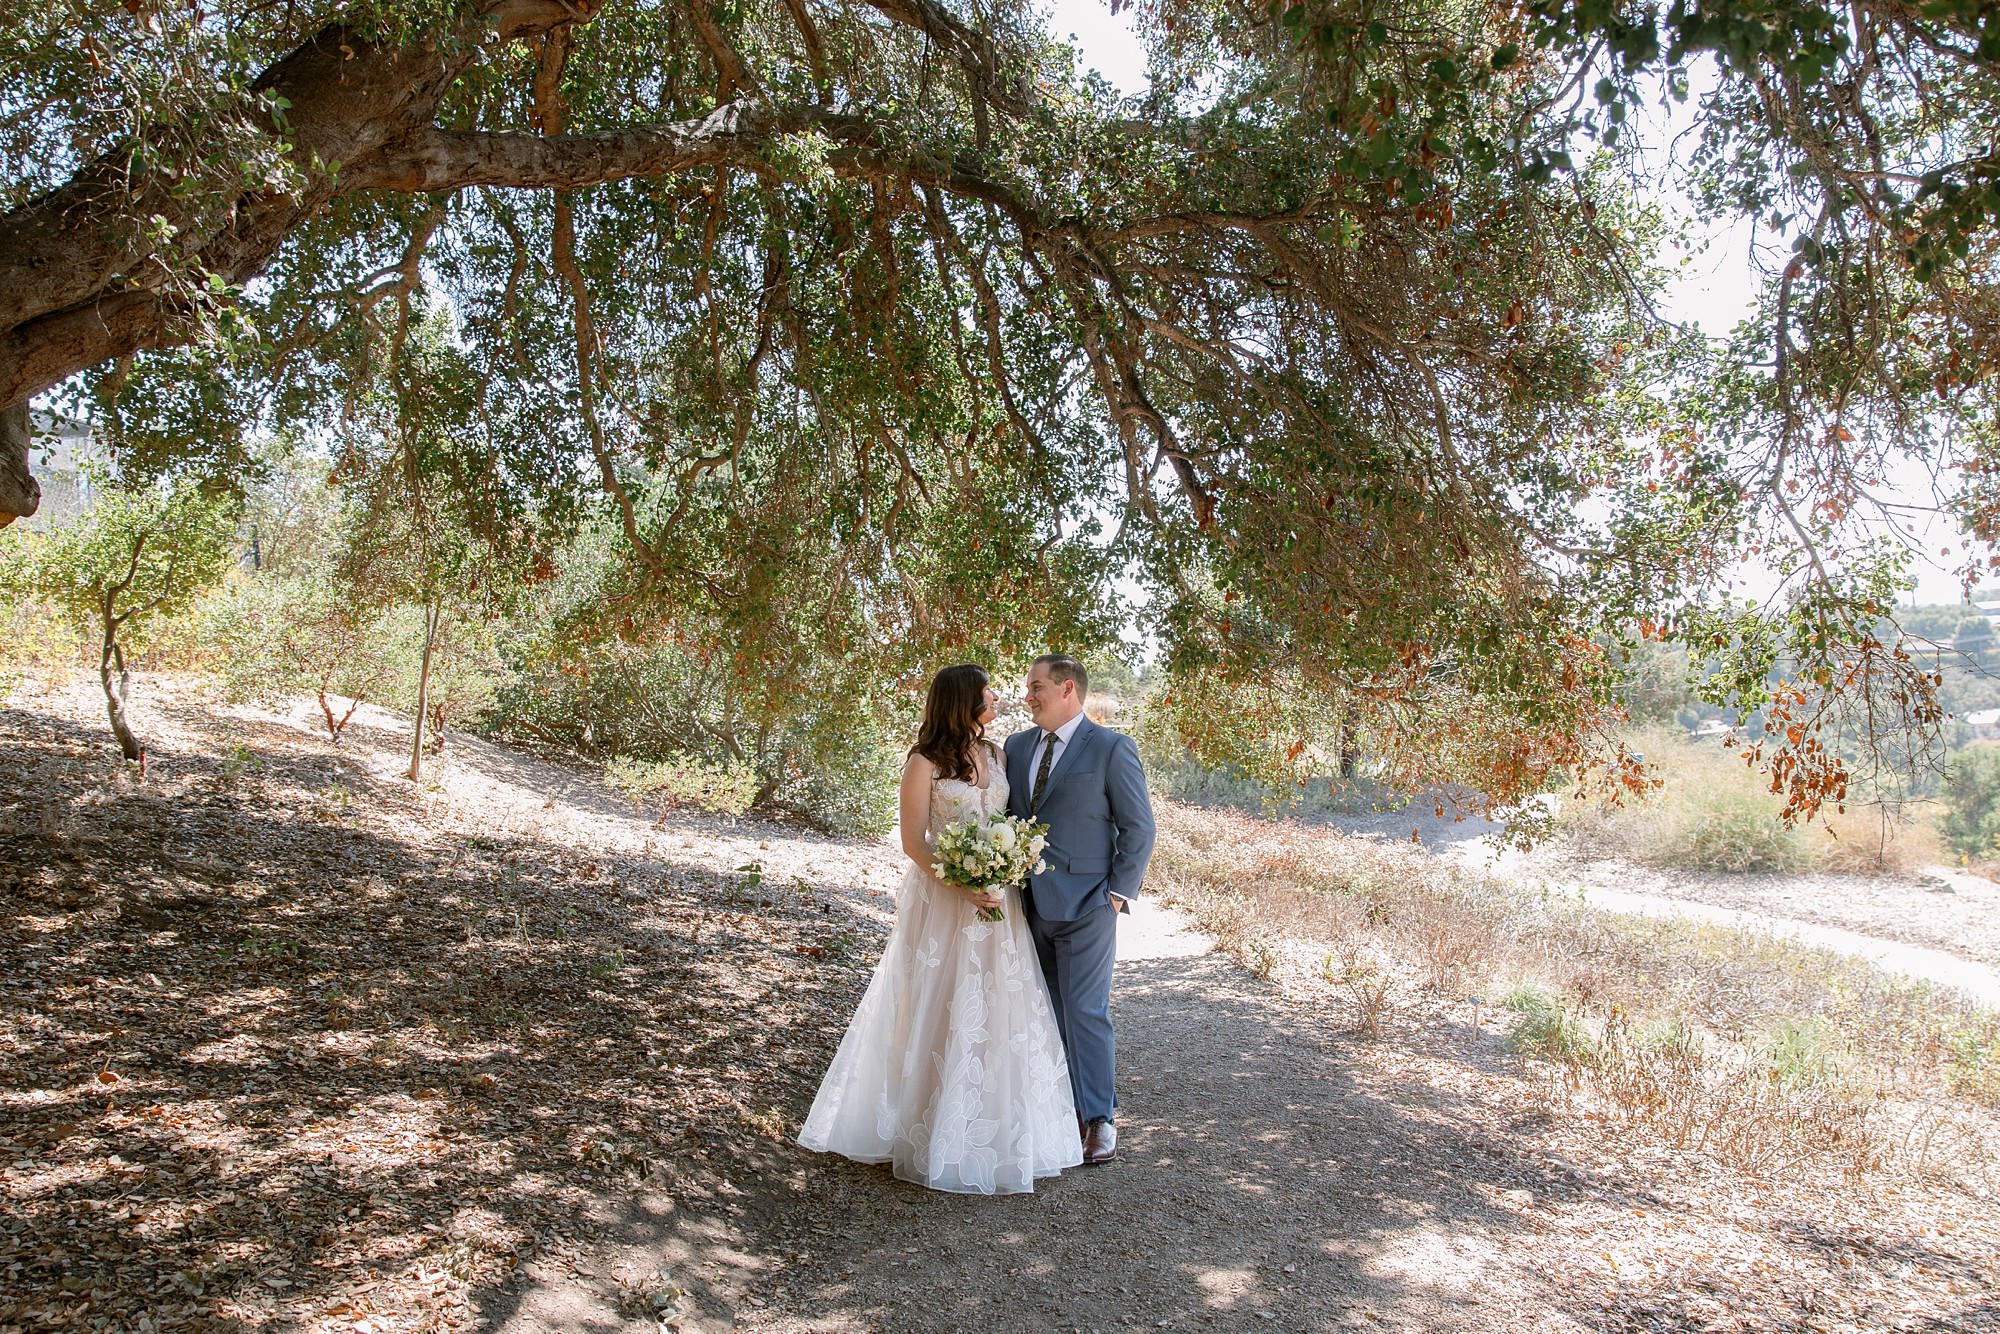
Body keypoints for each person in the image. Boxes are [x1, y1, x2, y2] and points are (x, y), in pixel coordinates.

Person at [797, 664, 1083, 1193]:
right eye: (987, 690)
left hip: (998, 900)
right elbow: (913, 841)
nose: (998, 695)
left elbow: (1012, 822)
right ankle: (927, 1128)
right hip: (942, 901)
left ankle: (990, 1128)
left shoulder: (999, 756)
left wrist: (1004, 868)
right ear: (963, 700)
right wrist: (961, 881)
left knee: (997, 1006)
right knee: (936, 1003)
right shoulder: (923, 762)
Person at [1004, 653, 1156, 1165]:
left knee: (1086, 1010)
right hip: (1027, 902)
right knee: (1045, 1008)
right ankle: (1060, 1109)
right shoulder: (1017, 746)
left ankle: (1100, 1118)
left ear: (1068, 688)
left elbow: (1139, 827)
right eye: (1028, 686)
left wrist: (1117, 894)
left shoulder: (1112, 748)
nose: (1028, 694)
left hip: (1090, 903)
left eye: (1037, 686)